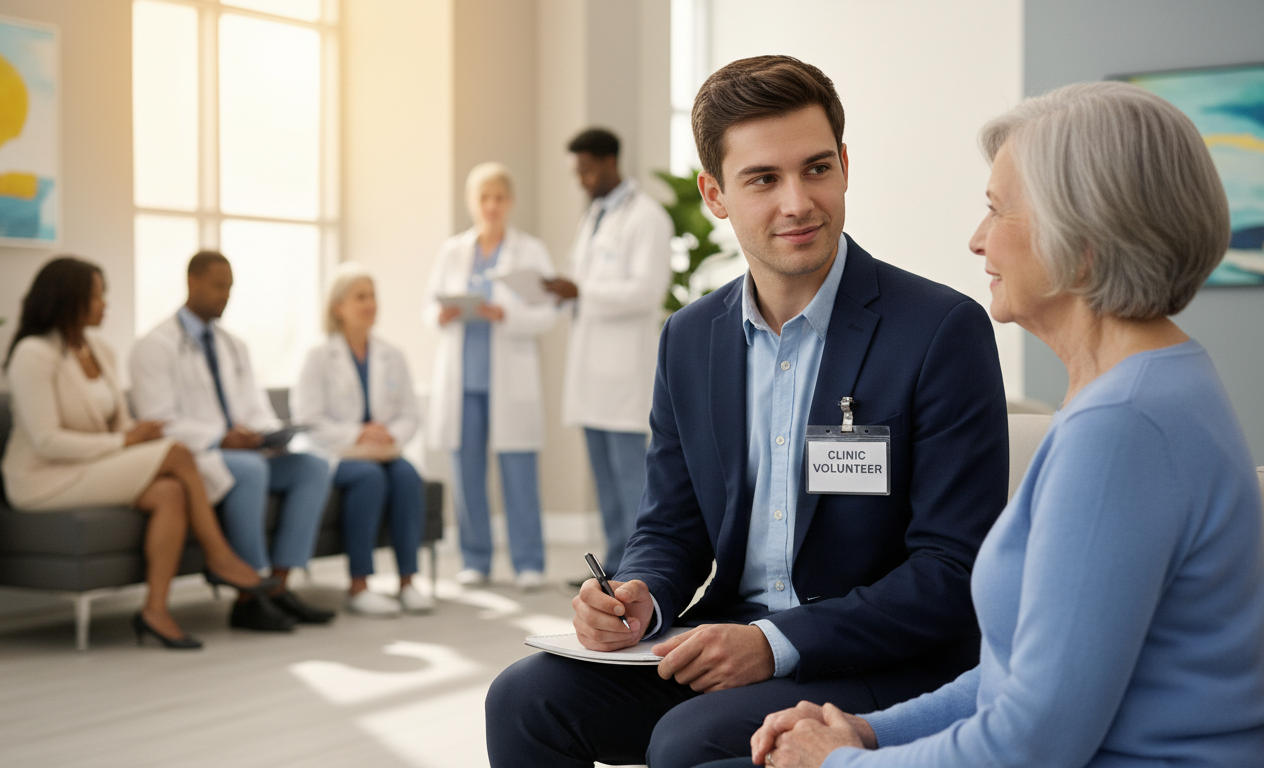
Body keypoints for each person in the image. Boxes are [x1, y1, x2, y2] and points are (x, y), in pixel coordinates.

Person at [703, 81, 1264, 768]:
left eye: (996, 211)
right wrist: (868, 731)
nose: (977, 241)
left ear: (1083, 237)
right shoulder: (1151, 384)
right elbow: (1016, 683)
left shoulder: (1120, 428)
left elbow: (1030, 743)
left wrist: (836, 763)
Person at [484, 55, 1009, 768]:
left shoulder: (939, 329)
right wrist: (640, 597)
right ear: (715, 194)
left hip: (883, 659)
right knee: (524, 699)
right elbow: (671, 527)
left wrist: (774, 643)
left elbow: (953, 569)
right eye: (764, 179)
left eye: (817, 169)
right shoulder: (690, 338)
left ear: (846, 166)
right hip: (727, 639)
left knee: (686, 741)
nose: (798, 202)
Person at [1, 257, 271, 650]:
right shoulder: (33, 354)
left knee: (171, 493)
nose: (105, 304)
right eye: (96, 296)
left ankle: (155, 611)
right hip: (44, 477)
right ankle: (220, 557)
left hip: (92, 466)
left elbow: (120, 422)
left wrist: (137, 434)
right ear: (68, 299)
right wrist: (125, 443)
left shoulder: (101, 350)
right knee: (178, 454)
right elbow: (46, 441)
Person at [130, 250, 335, 632]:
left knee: (312, 467)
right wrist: (220, 438)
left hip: (242, 451)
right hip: (198, 457)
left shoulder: (233, 345)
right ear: (192, 282)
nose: (226, 295)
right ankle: (248, 595)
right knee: (251, 469)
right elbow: (157, 421)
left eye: (230, 288)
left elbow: (254, 406)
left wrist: (270, 434)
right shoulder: (154, 346)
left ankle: (279, 586)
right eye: (218, 286)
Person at [543, 127, 674, 580]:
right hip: (591, 370)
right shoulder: (595, 216)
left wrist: (581, 290)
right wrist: (564, 292)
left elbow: (646, 292)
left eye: (584, 170)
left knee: (630, 480)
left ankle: (639, 570)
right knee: (604, 480)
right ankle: (613, 565)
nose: (580, 179)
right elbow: (588, 285)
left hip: (623, 373)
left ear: (607, 162)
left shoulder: (647, 218)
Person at [423, 162, 558, 590]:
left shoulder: (530, 251)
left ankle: (528, 561)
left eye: (499, 197)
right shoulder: (453, 252)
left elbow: (547, 312)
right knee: (467, 473)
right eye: (484, 198)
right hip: (463, 380)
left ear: (510, 202)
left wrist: (507, 314)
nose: (492, 206)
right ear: (472, 203)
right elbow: (427, 306)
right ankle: (476, 559)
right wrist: (440, 314)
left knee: (518, 471)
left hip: (508, 378)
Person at [293, 265, 433, 617]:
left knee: (406, 475)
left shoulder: (392, 354)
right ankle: (359, 586)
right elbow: (307, 420)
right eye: (361, 297)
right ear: (338, 307)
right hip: (337, 455)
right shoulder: (319, 356)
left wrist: (390, 434)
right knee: (368, 479)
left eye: (372, 296)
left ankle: (407, 582)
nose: (370, 304)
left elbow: (410, 413)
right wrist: (358, 433)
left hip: (383, 451)